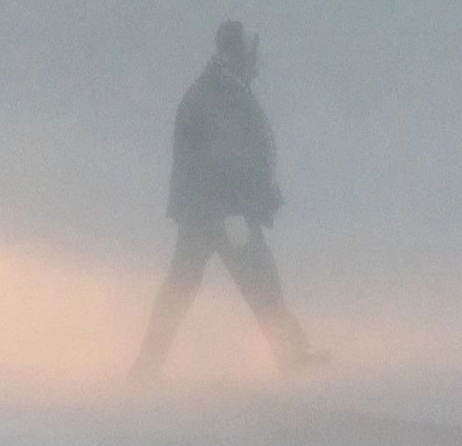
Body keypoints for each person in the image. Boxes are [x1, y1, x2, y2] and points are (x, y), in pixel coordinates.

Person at [132, 20, 322, 381]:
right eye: (250, 56)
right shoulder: (223, 94)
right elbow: (231, 156)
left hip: (206, 210)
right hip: (223, 212)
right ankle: (291, 356)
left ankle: (147, 367)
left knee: (184, 287)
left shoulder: (214, 89)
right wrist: (244, 203)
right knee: (259, 280)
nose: (256, 64)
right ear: (239, 55)